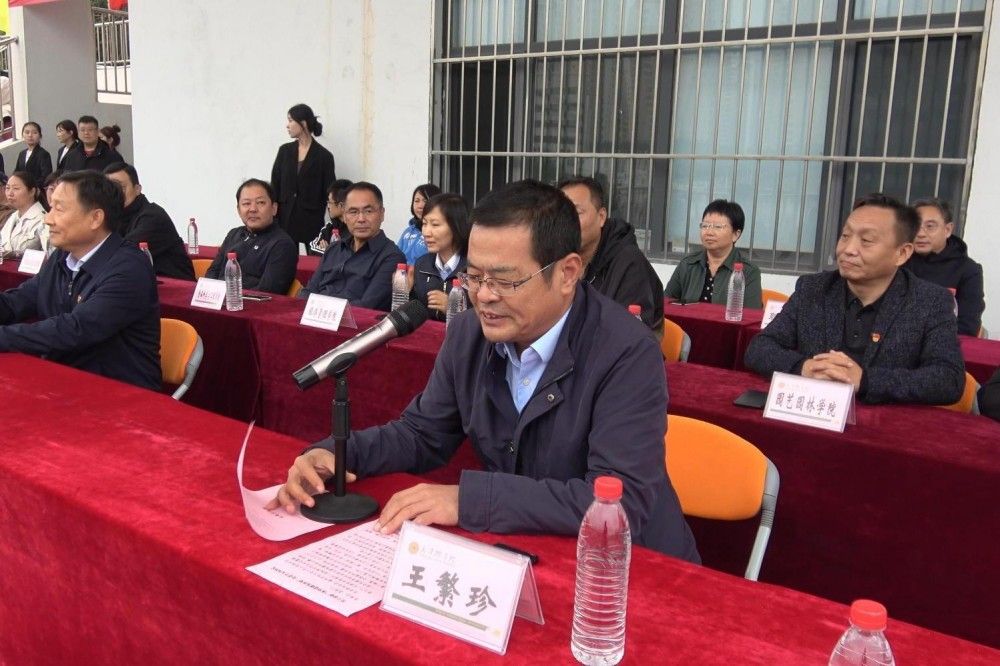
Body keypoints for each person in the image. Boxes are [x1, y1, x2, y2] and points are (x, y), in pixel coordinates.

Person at [268, 179, 699, 563]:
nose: (485, 296)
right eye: (474, 277)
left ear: (567, 273)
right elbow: (421, 433)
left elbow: (616, 502)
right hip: (526, 551)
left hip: (627, 570)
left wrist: (471, 500)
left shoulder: (626, 352)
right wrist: (335, 454)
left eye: (506, 281)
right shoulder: (469, 334)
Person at [744, 193, 965, 405]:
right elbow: (760, 348)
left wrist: (865, 380)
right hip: (815, 416)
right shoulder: (814, 289)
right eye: (845, 236)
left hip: (883, 424)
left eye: (866, 240)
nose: (848, 249)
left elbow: (948, 379)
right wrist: (805, 367)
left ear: (902, 253)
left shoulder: (930, 302)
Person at [0, 170, 160, 390]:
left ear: (95, 218)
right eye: (50, 208)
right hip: (64, 382)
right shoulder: (63, 257)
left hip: (119, 393)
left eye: (59, 209)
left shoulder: (129, 268)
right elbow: (17, 301)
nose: (48, 219)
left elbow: (75, 330)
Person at [559, 176, 664, 334]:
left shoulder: (629, 263)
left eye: (577, 212)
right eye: (561, 214)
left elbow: (629, 335)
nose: (567, 222)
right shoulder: (554, 257)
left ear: (601, 217)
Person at [299, 182, 406, 310]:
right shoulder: (333, 249)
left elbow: (366, 306)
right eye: (353, 212)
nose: (361, 219)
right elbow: (308, 291)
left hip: (355, 321)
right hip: (317, 316)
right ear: (344, 216)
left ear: (382, 214)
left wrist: (320, 309)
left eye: (368, 211)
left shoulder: (391, 257)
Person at [904, 197, 985, 336]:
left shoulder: (968, 270)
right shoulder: (898, 261)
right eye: (915, 225)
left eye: (930, 226)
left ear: (947, 230)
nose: (921, 233)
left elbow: (968, 326)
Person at [664, 199, 762, 308]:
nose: (709, 232)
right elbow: (665, 304)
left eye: (718, 227)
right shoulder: (687, 264)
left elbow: (752, 314)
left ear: (735, 234)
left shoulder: (749, 271)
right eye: (705, 226)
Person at [104, 163, 195, 280]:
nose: (113, 193)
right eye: (108, 189)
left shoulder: (152, 216)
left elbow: (120, 253)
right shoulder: (114, 216)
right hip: (140, 283)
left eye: (119, 187)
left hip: (174, 286)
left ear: (137, 189)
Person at [205, 179, 297, 295]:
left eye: (260, 203)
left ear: (274, 208)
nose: (253, 209)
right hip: (219, 300)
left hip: (249, 304)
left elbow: (266, 293)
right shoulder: (234, 234)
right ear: (238, 210)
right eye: (246, 204)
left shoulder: (282, 245)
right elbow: (212, 273)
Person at [270, 103, 337, 251]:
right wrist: (272, 216)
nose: (287, 125)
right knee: (284, 259)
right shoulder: (284, 151)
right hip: (285, 218)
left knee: (314, 260)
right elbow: (275, 185)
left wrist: (335, 226)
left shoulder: (324, 156)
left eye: (290, 120)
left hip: (311, 220)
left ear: (303, 123)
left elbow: (330, 193)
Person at [409, 193, 469, 322]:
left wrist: (454, 309)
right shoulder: (422, 264)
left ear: (456, 226)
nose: (426, 232)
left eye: (435, 225)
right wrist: (407, 291)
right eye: (424, 223)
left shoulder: (473, 269)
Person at [0, 171, 48, 258]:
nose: (10, 193)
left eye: (16, 188)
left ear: (32, 191)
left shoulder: (44, 220)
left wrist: (17, 255)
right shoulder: (13, 216)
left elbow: (50, 257)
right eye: (7, 188)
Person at [397, 183, 441, 265]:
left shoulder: (439, 232)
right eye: (416, 201)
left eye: (425, 200)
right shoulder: (408, 231)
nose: (420, 206)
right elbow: (396, 255)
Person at [308, 178, 353, 256]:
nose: (328, 206)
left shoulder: (355, 230)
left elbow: (349, 256)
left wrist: (328, 250)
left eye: (330, 202)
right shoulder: (329, 227)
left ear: (341, 205)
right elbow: (312, 248)